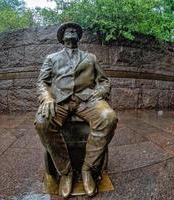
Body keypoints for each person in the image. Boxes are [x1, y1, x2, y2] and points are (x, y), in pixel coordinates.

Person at [34, 22, 118, 197]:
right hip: (60, 101)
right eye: (67, 30)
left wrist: (99, 93)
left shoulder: (91, 58)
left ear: (79, 37)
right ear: (62, 37)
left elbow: (104, 81)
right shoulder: (51, 58)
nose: (70, 31)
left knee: (108, 117)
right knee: (42, 122)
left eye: (74, 30)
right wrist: (47, 97)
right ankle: (66, 172)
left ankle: (88, 169)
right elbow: (42, 82)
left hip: (87, 100)